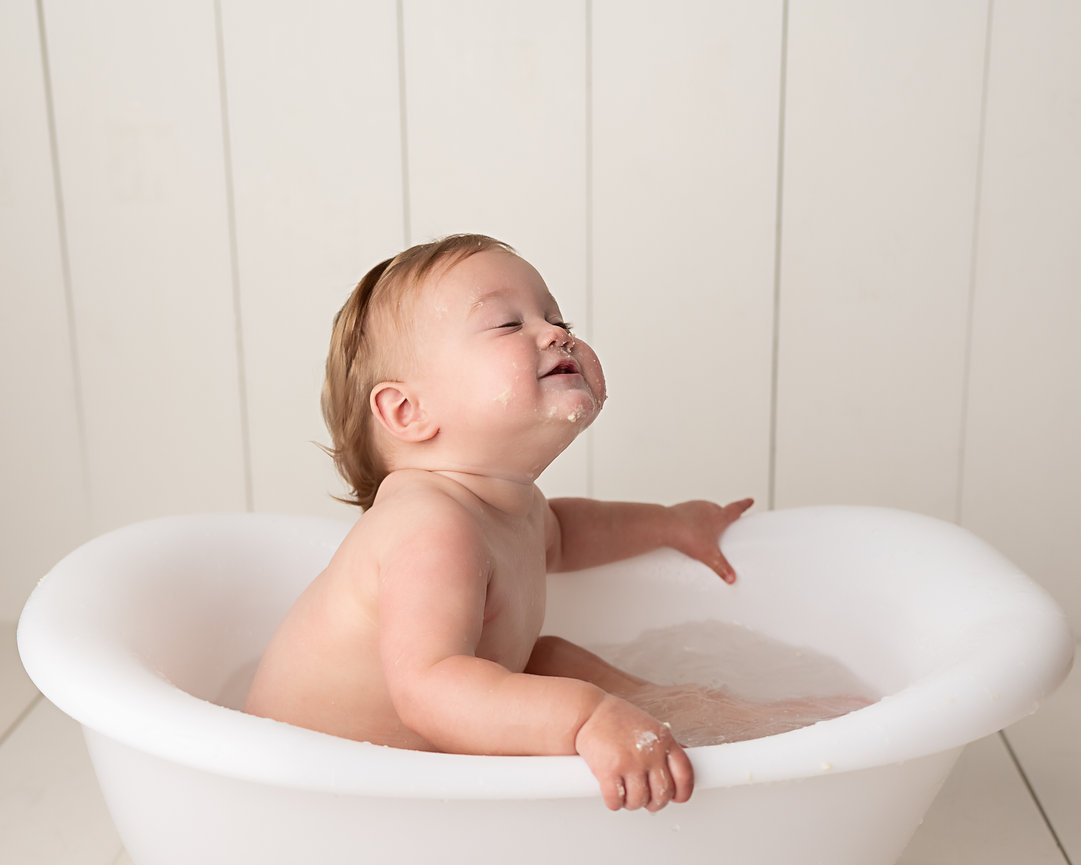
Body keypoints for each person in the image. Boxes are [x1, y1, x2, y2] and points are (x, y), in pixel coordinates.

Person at [245, 234, 847, 812]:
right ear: (408, 410)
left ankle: (708, 716)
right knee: (556, 684)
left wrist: (669, 525)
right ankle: (644, 723)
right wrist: (584, 717)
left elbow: (569, 534)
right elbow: (429, 690)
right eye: (509, 324)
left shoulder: (507, 506)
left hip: (407, 773)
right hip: (321, 791)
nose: (556, 333)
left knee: (548, 657)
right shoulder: (428, 526)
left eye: (560, 321)